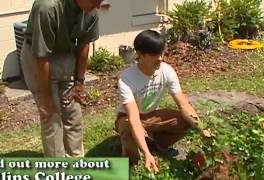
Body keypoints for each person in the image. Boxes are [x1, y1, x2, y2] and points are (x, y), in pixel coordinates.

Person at [116, 30, 213, 172]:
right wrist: (147, 155)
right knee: (128, 130)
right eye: (155, 54)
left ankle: (157, 144)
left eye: (162, 53)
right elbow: (134, 118)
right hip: (128, 118)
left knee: (186, 120)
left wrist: (201, 128)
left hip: (151, 115)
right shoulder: (127, 79)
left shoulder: (167, 71)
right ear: (140, 55)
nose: (160, 58)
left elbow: (183, 104)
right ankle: (133, 162)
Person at [20, 0, 104, 157]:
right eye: (95, 1)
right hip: (38, 57)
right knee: (52, 117)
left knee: (73, 112)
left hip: (66, 54)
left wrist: (79, 82)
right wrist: (46, 99)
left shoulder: (91, 9)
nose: (98, 6)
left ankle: (75, 160)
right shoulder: (47, 7)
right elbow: (41, 56)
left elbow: (84, 45)